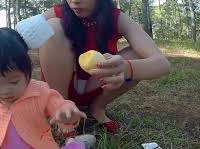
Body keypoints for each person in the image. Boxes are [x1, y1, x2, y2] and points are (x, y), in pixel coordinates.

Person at [38, 0, 170, 133]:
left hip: (98, 84)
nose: (75, 1)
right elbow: (19, 38)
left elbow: (162, 63)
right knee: (51, 27)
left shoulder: (116, 18)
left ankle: (97, 108)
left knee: (139, 54)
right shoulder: (58, 12)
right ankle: (60, 110)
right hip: (62, 87)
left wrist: (126, 68)